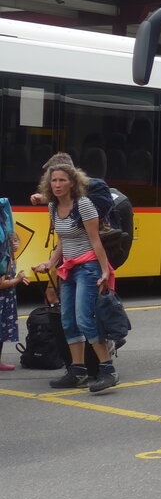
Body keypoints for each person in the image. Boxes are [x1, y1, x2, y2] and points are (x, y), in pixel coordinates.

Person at [34, 160, 118, 392]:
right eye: (54, 180)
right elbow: (63, 240)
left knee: (85, 319)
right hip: (68, 269)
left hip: (88, 267)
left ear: (72, 183)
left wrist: (104, 271)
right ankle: (78, 370)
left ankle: (108, 370)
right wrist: (50, 262)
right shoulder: (53, 206)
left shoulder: (84, 205)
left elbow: (95, 240)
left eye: (62, 180)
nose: (58, 184)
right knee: (68, 321)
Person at [0, 196, 28, 371]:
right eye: (13, 241)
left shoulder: (8, 257)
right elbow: (2, 284)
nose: (16, 244)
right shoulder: (3, 258)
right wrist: (17, 279)